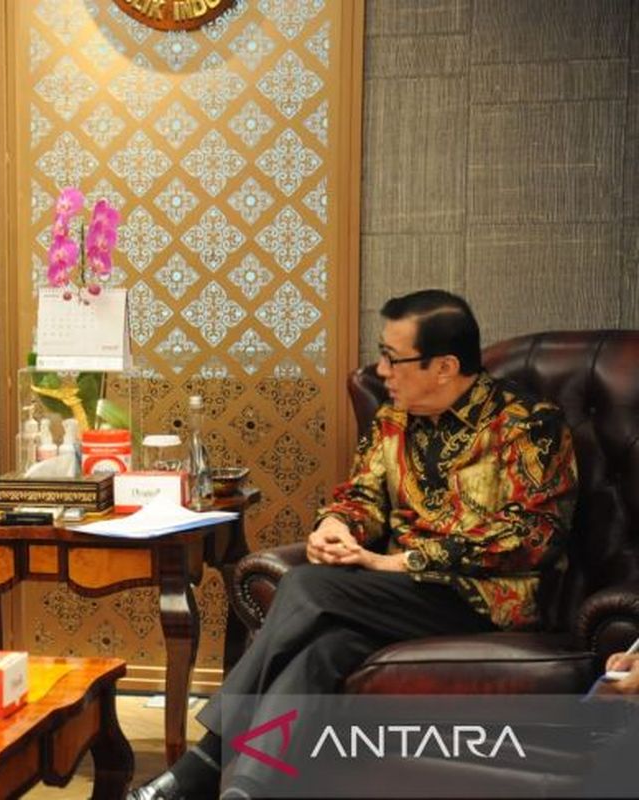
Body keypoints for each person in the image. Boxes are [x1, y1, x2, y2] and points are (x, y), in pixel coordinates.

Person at [128, 289, 578, 799]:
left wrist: (397, 560)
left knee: (305, 587)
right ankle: (244, 791)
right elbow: (361, 496)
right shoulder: (394, 420)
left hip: (486, 601)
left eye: (393, 357)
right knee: (322, 649)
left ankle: (200, 765)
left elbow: (533, 535)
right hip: (398, 595)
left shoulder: (528, 424)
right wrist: (337, 527)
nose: (381, 370)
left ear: (445, 366)